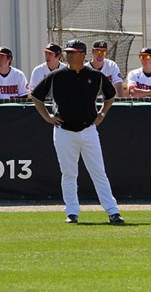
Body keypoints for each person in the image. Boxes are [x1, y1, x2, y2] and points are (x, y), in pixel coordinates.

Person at [31, 39, 124, 225]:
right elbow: (35, 96)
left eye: (73, 52)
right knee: (69, 173)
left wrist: (103, 113)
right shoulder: (57, 75)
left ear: (83, 54)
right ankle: (72, 212)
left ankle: (113, 212)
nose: (69, 55)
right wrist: (48, 117)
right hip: (64, 130)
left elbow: (111, 95)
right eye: (68, 52)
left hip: (88, 129)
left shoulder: (95, 75)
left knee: (98, 171)